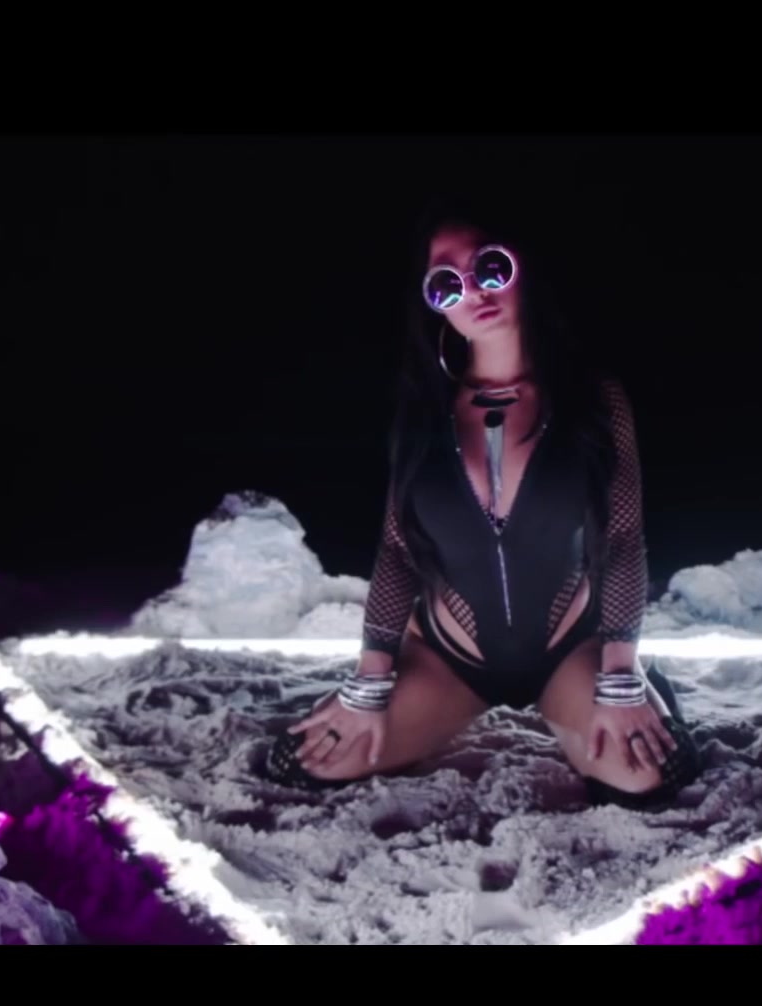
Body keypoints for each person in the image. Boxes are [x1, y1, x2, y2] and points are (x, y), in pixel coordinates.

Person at [264, 208, 699, 808]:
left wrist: (620, 675)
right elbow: (397, 547)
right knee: (301, 763)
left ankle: (652, 688)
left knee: (650, 775)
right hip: (448, 660)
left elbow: (622, 538)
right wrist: (370, 680)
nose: (473, 291)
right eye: (446, 284)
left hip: (568, 651)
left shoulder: (595, 398)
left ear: (523, 266)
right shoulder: (423, 412)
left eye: (490, 268)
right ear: (435, 307)